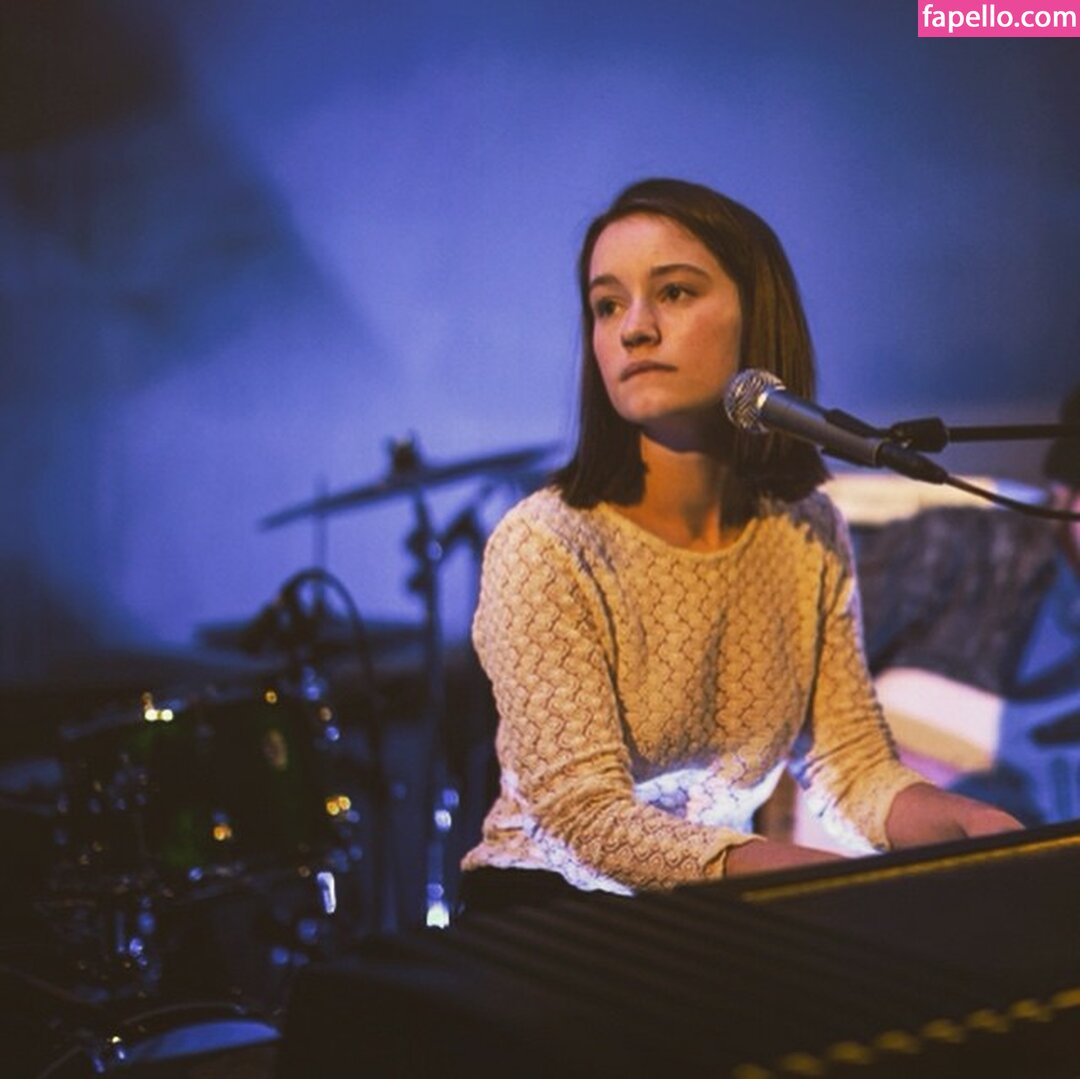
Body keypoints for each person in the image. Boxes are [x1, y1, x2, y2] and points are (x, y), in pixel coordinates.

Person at [457, 178, 1020, 916]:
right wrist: (806, 879)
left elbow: (850, 765)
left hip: (717, 910)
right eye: (607, 305)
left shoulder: (806, 529)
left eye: (674, 293)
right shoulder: (545, 542)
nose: (634, 329)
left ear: (759, 320)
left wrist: (974, 824)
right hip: (550, 915)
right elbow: (582, 817)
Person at [856, 384, 1080, 826]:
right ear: (1063, 489)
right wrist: (911, 784)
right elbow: (793, 690)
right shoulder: (949, 549)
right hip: (873, 838)